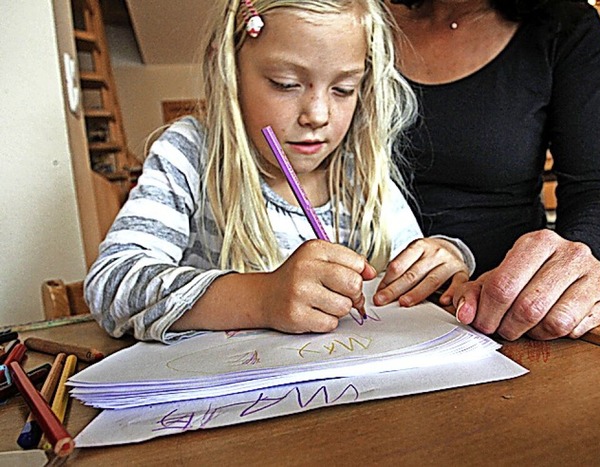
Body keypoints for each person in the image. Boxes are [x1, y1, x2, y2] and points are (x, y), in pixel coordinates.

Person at [84, 0, 475, 343]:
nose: (317, 115)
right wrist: (262, 298)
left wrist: (445, 259)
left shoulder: (362, 172)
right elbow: (112, 284)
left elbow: (410, 273)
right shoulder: (191, 154)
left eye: (343, 89)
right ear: (231, 68)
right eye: (285, 84)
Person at [377, 0, 600, 341]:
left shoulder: (564, 28)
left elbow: (597, 188)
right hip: (363, 304)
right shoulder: (350, 16)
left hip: (506, 318)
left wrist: (573, 268)